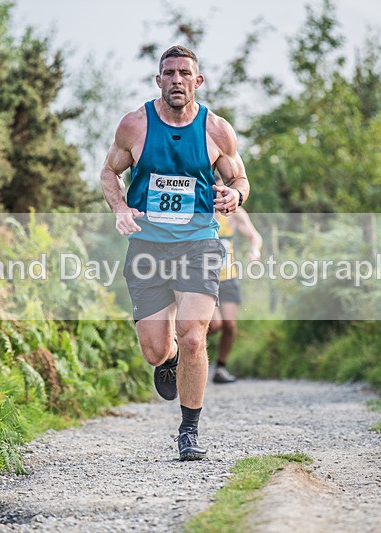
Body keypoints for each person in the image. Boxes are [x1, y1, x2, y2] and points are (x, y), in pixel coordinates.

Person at [100, 45, 250, 461]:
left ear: (197, 81)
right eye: (169, 73)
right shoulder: (135, 125)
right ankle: (167, 361)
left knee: (193, 335)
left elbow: (239, 176)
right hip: (147, 245)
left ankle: (189, 430)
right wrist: (120, 208)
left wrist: (234, 196)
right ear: (158, 80)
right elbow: (110, 172)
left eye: (185, 73)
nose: (177, 80)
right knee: (156, 348)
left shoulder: (217, 130)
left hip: (200, 241)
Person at [208, 207, 263, 383]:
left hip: (227, 277)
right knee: (214, 325)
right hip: (204, 278)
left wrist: (255, 250)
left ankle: (220, 368)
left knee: (229, 325)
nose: (219, 198)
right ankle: (185, 352)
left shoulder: (233, 212)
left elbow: (255, 236)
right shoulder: (198, 209)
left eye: (222, 192)